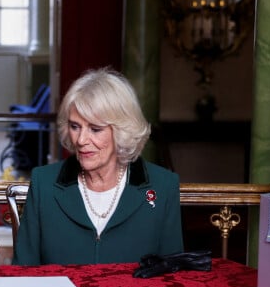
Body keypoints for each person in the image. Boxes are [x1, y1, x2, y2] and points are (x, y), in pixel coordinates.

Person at [13, 67, 183, 265]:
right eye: (75, 126)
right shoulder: (44, 183)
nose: (81, 139)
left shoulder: (163, 186)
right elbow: (23, 272)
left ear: (121, 131)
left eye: (95, 129)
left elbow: (172, 278)